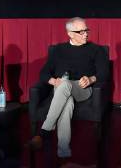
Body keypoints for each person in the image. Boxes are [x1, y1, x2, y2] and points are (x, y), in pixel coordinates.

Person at [28, 17, 109, 160]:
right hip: (61, 89)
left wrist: (91, 79)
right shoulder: (58, 50)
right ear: (70, 33)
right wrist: (54, 81)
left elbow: (104, 73)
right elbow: (44, 73)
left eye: (86, 30)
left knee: (66, 85)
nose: (85, 34)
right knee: (67, 103)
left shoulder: (96, 50)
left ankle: (44, 132)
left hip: (82, 89)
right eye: (81, 31)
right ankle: (63, 151)